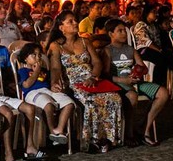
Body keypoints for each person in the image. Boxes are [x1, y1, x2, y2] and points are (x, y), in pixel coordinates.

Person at [46, 10, 123, 153]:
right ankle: (91, 140)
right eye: (70, 21)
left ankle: (107, 137)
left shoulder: (85, 41)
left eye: (75, 20)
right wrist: (55, 82)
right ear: (61, 27)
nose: (75, 23)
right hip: (74, 83)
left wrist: (93, 76)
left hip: (91, 79)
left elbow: (97, 62)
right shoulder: (56, 46)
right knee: (90, 101)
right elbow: (56, 67)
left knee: (114, 98)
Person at [102, 18, 168, 145]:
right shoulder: (107, 51)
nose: (124, 33)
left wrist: (138, 72)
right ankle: (129, 133)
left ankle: (145, 128)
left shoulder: (130, 49)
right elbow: (106, 75)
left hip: (134, 81)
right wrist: (123, 80)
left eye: (125, 31)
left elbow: (142, 66)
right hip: (118, 83)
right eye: (119, 31)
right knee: (132, 96)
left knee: (163, 93)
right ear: (111, 34)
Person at [16, 41, 74, 146]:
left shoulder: (43, 70)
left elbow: (48, 83)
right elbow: (26, 85)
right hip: (32, 93)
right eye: (34, 55)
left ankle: (59, 130)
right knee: (48, 105)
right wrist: (36, 72)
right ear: (25, 58)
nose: (37, 58)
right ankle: (52, 131)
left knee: (68, 103)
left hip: (47, 91)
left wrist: (53, 86)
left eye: (39, 55)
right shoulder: (23, 71)